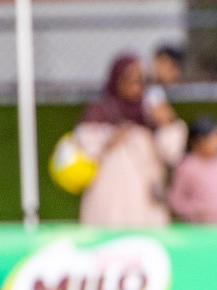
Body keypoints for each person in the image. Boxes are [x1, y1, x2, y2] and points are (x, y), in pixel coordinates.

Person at [74, 53, 186, 228]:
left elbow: (172, 153)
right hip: (110, 197)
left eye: (140, 80)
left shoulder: (150, 111)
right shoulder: (101, 110)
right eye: (129, 79)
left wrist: (168, 122)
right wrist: (110, 137)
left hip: (145, 200)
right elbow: (86, 147)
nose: (136, 86)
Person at [167, 115, 217, 225]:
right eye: (216, 137)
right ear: (198, 141)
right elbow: (175, 200)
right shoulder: (186, 166)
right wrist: (194, 211)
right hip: (198, 230)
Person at [144, 44, 185, 128]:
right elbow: (162, 117)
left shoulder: (158, 87)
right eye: (172, 67)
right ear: (158, 61)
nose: (176, 73)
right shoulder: (142, 80)